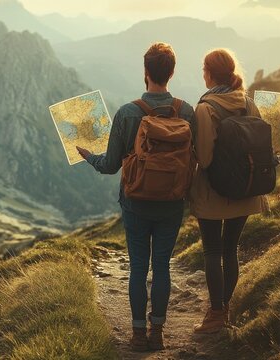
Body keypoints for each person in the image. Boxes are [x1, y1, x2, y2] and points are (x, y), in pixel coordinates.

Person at [76, 42, 195, 352]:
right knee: (163, 266)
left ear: (145, 73)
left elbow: (111, 165)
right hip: (171, 202)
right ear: (172, 72)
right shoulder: (186, 111)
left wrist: (89, 156)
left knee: (139, 267)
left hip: (136, 202)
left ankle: (138, 334)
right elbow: (194, 159)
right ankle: (158, 332)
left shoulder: (128, 113)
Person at [190, 48, 269, 334]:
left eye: (203, 69)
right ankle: (226, 307)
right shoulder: (249, 104)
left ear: (209, 74)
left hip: (214, 193)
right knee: (231, 248)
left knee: (212, 249)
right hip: (246, 191)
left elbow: (206, 158)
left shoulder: (206, 108)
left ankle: (215, 314)